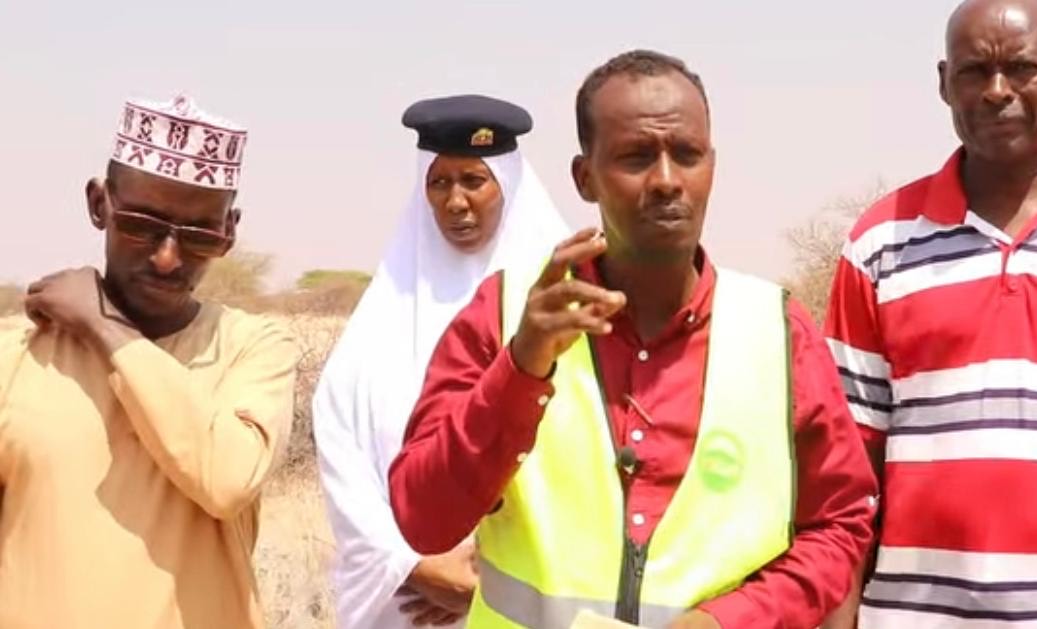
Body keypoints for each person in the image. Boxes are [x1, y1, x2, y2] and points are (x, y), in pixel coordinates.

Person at [389, 50, 877, 629]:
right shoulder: (504, 316)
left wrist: (727, 621)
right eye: (637, 157)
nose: (667, 181)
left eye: (687, 156)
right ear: (584, 176)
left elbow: (840, 524)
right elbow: (423, 520)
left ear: (712, 167)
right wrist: (521, 369)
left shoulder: (778, 331)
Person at [0, 95, 297, 629]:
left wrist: (102, 327)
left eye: (199, 235)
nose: (167, 258)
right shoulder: (17, 354)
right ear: (99, 205)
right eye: (142, 225)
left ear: (229, 232)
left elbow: (226, 479)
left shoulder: (253, 348)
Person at [824, 0, 1037, 626]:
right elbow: (848, 474)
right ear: (943, 82)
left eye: (1021, 68)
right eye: (973, 72)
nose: (996, 91)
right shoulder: (880, 243)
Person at [313, 94, 569, 628]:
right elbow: (341, 446)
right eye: (439, 182)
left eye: (473, 180)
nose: (456, 202)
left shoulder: (564, 304)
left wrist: (488, 583)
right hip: (406, 607)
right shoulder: (383, 318)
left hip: (541, 598)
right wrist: (411, 566)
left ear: (509, 184)